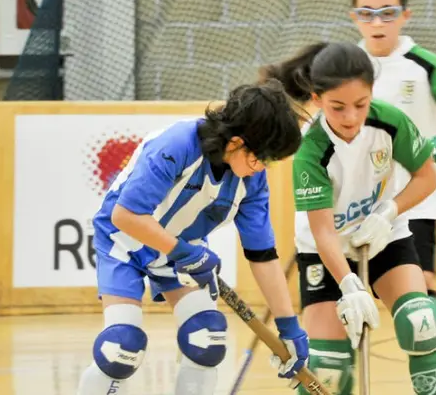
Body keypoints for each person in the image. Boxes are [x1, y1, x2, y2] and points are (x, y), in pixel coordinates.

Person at [76, 80, 312, 395]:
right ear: (236, 143)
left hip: (182, 249)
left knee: (208, 340)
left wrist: (289, 327)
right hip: (125, 241)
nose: (261, 169)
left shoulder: (252, 182)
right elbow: (125, 216)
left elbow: (263, 257)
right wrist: (185, 253)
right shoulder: (177, 145)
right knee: (121, 348)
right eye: (261, 159)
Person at [261, 41, 436, 395]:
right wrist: (349, 286)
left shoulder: (390, 121)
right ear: (317, 99)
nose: (350, 117)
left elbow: (427, 177)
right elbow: (323, 233)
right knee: (328, 372)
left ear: (371, 94)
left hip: (386, 237)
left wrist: (389, 211)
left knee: (420, 324)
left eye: (360, 105)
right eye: (337, 107)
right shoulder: (310, 149)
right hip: (326, 252)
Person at [349, 0, 436, 364]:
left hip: (415, 201)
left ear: (405, 16)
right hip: (351, 203)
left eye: (386, 12)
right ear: (354, 17)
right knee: (346, 299)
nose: (376, 23)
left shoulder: (427, 66)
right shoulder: (343, 66)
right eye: (366, 13)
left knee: (422, 298)